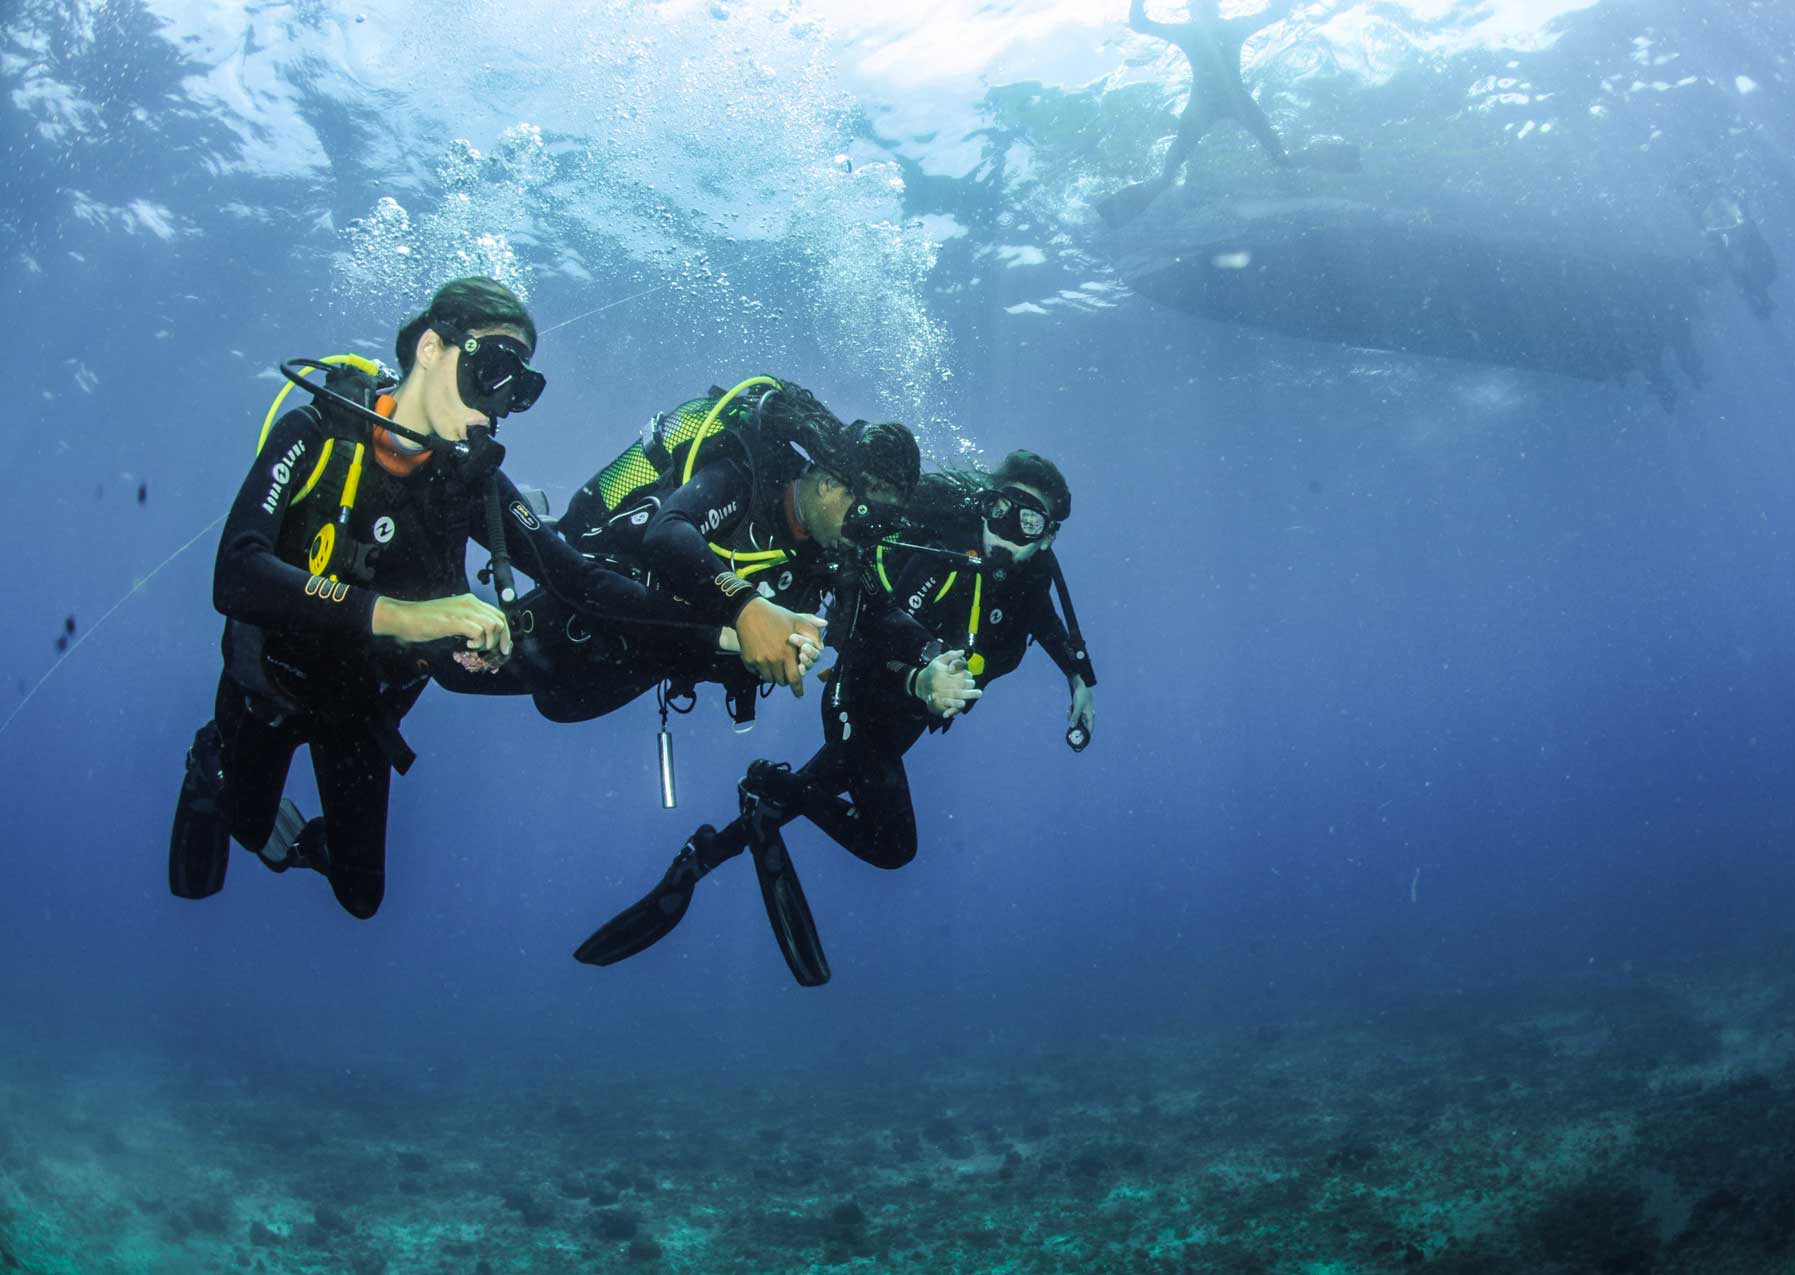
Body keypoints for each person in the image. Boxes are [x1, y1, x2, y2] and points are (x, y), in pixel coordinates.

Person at [167, 277, 693, 919]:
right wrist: (408, 618)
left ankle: (297, 842)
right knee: (249, 829)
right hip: (269, 691)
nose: (498, 404)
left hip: (359, 709)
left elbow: (574, 576)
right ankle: (212, 757)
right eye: (494, 369)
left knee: (361, 898)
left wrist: (729, 623)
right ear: (430, 349)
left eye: (517, 389)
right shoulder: (316, 431)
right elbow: (237, 575)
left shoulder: (468, 483)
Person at [574, 450, 1098, 985]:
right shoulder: (937, 554)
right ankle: (760, 793)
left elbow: (1045, 620)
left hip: (906, 719)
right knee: (891, 845)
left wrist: (1080, 677)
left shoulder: (1030, 577)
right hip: (863, 696)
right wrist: (918, 678)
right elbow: (866, 629)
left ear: (1047, 537)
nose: (1006, 531)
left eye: (1027, 522)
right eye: (999, 509)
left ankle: (711, 849)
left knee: (818, 786)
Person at [506, 378, 923, 730]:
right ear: (830, 483)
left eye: (882, 528)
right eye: (867, 519)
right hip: (580, 614)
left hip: (637, 666)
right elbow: (667, 533)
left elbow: (877, 615)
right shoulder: (749, 478)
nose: (867, 537)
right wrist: (747, 607)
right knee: (451, 668)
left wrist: (929, 665)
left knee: (555, 705)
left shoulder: (829, 553)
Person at [1098, 0, 1294, 228]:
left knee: (1170, 172)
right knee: (1276, 150)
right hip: (1231, 100)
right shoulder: (1227, 28)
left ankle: (1289, 172)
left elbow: (1140, 24)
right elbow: (1277, 11)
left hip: (1208, 103)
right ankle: (1291, 175)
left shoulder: (1192, 32)